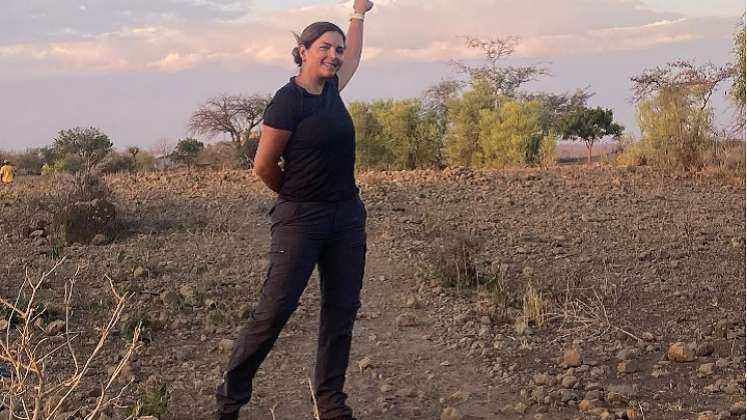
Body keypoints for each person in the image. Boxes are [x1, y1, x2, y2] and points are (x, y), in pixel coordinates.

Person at [214, 1, 373, 420]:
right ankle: (229, 403)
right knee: (273, 312)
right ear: (303, 50)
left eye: (337, 49)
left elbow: (356, 54)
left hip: (346, 219)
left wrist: (358, 13)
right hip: (300, 221)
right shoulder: (288, 102)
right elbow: (263, 166)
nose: (334, 55)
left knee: (340, 312)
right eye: (324, 47)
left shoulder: (334, 89)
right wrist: (297, 196)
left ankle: (331, 404)